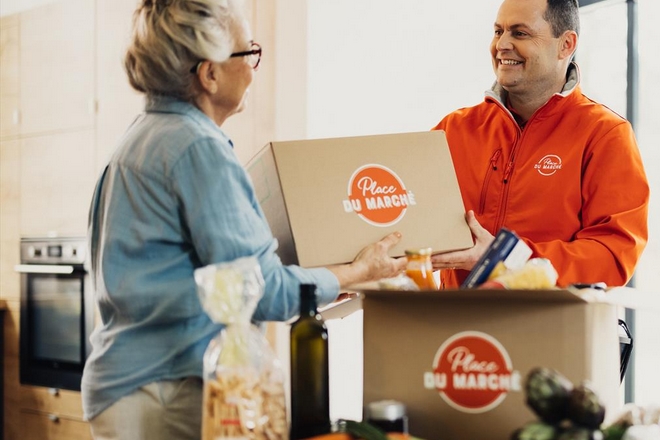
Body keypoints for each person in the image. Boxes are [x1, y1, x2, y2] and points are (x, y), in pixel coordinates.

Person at [81, 0, 407, 438]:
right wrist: (359, 271)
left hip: (128, 384)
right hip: (167, 390)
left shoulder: (142, 136)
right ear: (209, 73)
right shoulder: (197, 147)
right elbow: (262, 292)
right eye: (247, 53)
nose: (255, 68)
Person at [430, 0, 649, 289]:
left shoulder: (605, 135)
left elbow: (612, 253)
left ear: (566, 45)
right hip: (457, 329)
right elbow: (402, 218)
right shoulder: (453, 130)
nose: (502, 45)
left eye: (520, 33)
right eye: (498, 32)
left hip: (551, 329)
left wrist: (505, 259)